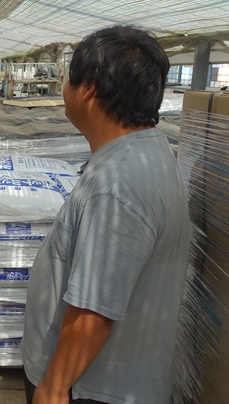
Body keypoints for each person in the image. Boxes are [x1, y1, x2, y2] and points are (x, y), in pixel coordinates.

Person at [21, 26, 191, 404]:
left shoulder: (118, 184)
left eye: (68, 78)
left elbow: (94, 308)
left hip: (89, 389)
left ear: (88, 89)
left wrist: (54, 387)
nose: (64, 87)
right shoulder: (144, 152)